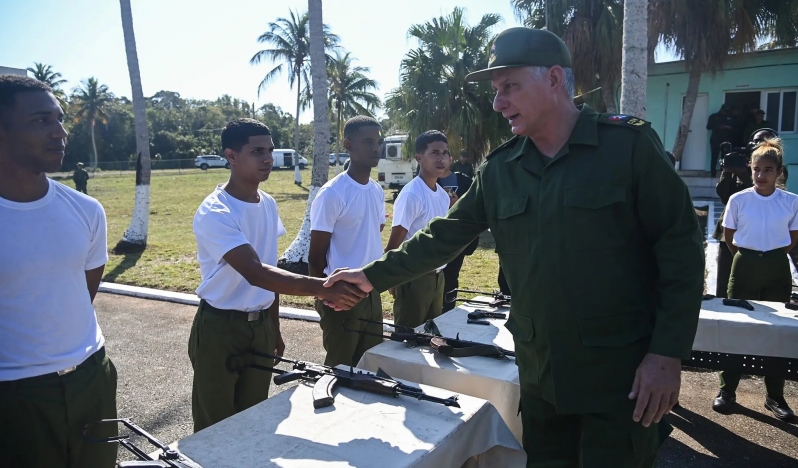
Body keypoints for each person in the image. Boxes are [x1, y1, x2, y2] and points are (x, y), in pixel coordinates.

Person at [324, 27, 705, 467]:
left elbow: (680, 251)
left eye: (510, 87)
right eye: (495, 90)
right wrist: (369, 277)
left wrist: (667, 353)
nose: (498, 102)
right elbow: (441, 238)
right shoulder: (501, 170)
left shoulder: (627, 148)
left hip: (619, 377)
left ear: (555, 79)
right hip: (541, 379)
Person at [190, 118, 366, 432]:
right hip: (219, 328)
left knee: (254, 419)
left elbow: (269, 268)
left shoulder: (268, 204)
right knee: (214, 428)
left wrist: (274, 327)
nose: (268, 158)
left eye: (270, 150)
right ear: (231, 156)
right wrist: (323, 287)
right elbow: (256, 273)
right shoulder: (215, 210)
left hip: (260, 328)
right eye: (257, 151)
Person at [0, 75, 118, 467]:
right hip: (15, 395)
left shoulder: (86, 210)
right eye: (40, 121)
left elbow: (81, 293)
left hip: (92, 378)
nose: (60, 132)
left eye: (60, 119)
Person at [713, 136, 798, 421]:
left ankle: (775, 396)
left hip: (776, 267)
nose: (761, 175)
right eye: (756, 169)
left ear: (779, 172)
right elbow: (729, 237)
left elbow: (793, 238)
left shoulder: (791, 202)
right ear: (750, 169)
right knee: (737, 329)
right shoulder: (738, 199)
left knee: (777, 332)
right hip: (744, 265)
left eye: (768, 170)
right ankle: (727, 391)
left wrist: (771, 255)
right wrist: (748, 256)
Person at [308, 116, 386, 367]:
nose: (376, 148)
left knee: (370, 364)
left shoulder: (376, 190)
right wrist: (324, 297)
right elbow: (315, 255)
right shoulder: (332, 193)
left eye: (378, 142)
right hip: (341, 296)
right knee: (340, 369)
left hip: (372, 290)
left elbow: (374, 233)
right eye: (368, 142)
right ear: (348, 145)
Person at [385, 130, 451, 328]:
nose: (441, 159)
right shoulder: (412, 194)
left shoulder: (443, 196)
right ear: (419, 157)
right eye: (435, 153)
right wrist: (391, 278)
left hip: (438, 277)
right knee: (407, 340)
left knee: (430, 339)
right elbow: (395, 241)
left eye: (445, 153)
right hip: (414, 277)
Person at [437, 150, 479, 312]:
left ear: (451, 160)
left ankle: (447, 311)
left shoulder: (464, 181)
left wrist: (456, 203)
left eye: (445, 156)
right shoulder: (428, 181)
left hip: (456, 241)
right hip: (435, 238)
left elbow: (473, 208)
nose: (441, 160)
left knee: (451, 277)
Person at [707, 104, 736, 177]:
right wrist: (718, 127)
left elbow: (735, 128)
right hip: (715, 139)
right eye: (724, 110)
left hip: (725, 140)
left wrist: (729, 127)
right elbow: (708, 126)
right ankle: (713, 173)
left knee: (725, 157)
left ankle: (723, 174)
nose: (725, 112)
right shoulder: (714, 116)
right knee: (714, 157)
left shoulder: (729, 118)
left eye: (726, 111)